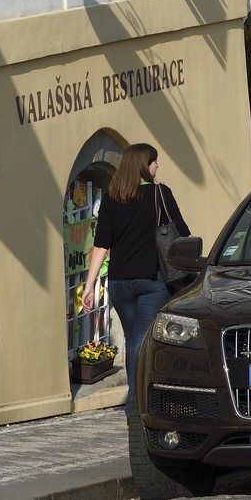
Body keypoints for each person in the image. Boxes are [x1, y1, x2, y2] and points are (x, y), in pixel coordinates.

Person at [81, 143, 190, 414]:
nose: (157, 167)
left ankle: (140, 400)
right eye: (154, 162)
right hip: (152, 281)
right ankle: (138, 404)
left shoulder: (111, 198)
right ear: (145, 165)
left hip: (119, 284)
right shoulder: (160, 194)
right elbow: (183, 234)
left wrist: (90, 284)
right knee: (142, 342)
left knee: (134, 341)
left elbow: (101, 245)